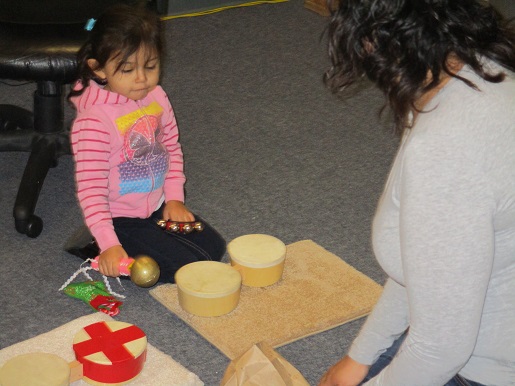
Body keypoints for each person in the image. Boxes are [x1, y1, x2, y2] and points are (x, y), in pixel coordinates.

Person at [319, 0, 515, 385]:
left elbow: (441, 348)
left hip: (485, 369)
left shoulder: (444, 151)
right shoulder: (479, 69)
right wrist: (360, 356)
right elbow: (435, 265)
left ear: (372, 38)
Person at [67, 4, 226, 282]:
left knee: (214, 248)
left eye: (150, 66)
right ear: (99, 69)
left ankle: (143, 237)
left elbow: (172, 148)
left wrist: (174, 199)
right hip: (119, 217)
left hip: (156, 204)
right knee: (182, 269)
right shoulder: (93, 123)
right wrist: (110, 243)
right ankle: (96, 248)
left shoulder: (157, 96)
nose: (142, 78)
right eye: (127, 70)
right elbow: (91, 191)